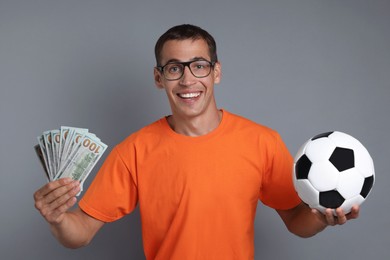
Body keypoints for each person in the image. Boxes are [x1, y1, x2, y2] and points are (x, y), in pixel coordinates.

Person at [34, 24, 360, 259]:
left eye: (199, 66)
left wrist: (320, 217)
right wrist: (59, 219)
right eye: (175, 68)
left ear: (216, 72)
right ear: (159, 78)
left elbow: (296, 223)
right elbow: (81, 233)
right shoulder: (134, 151)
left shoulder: (262, 141)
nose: (188, 79)